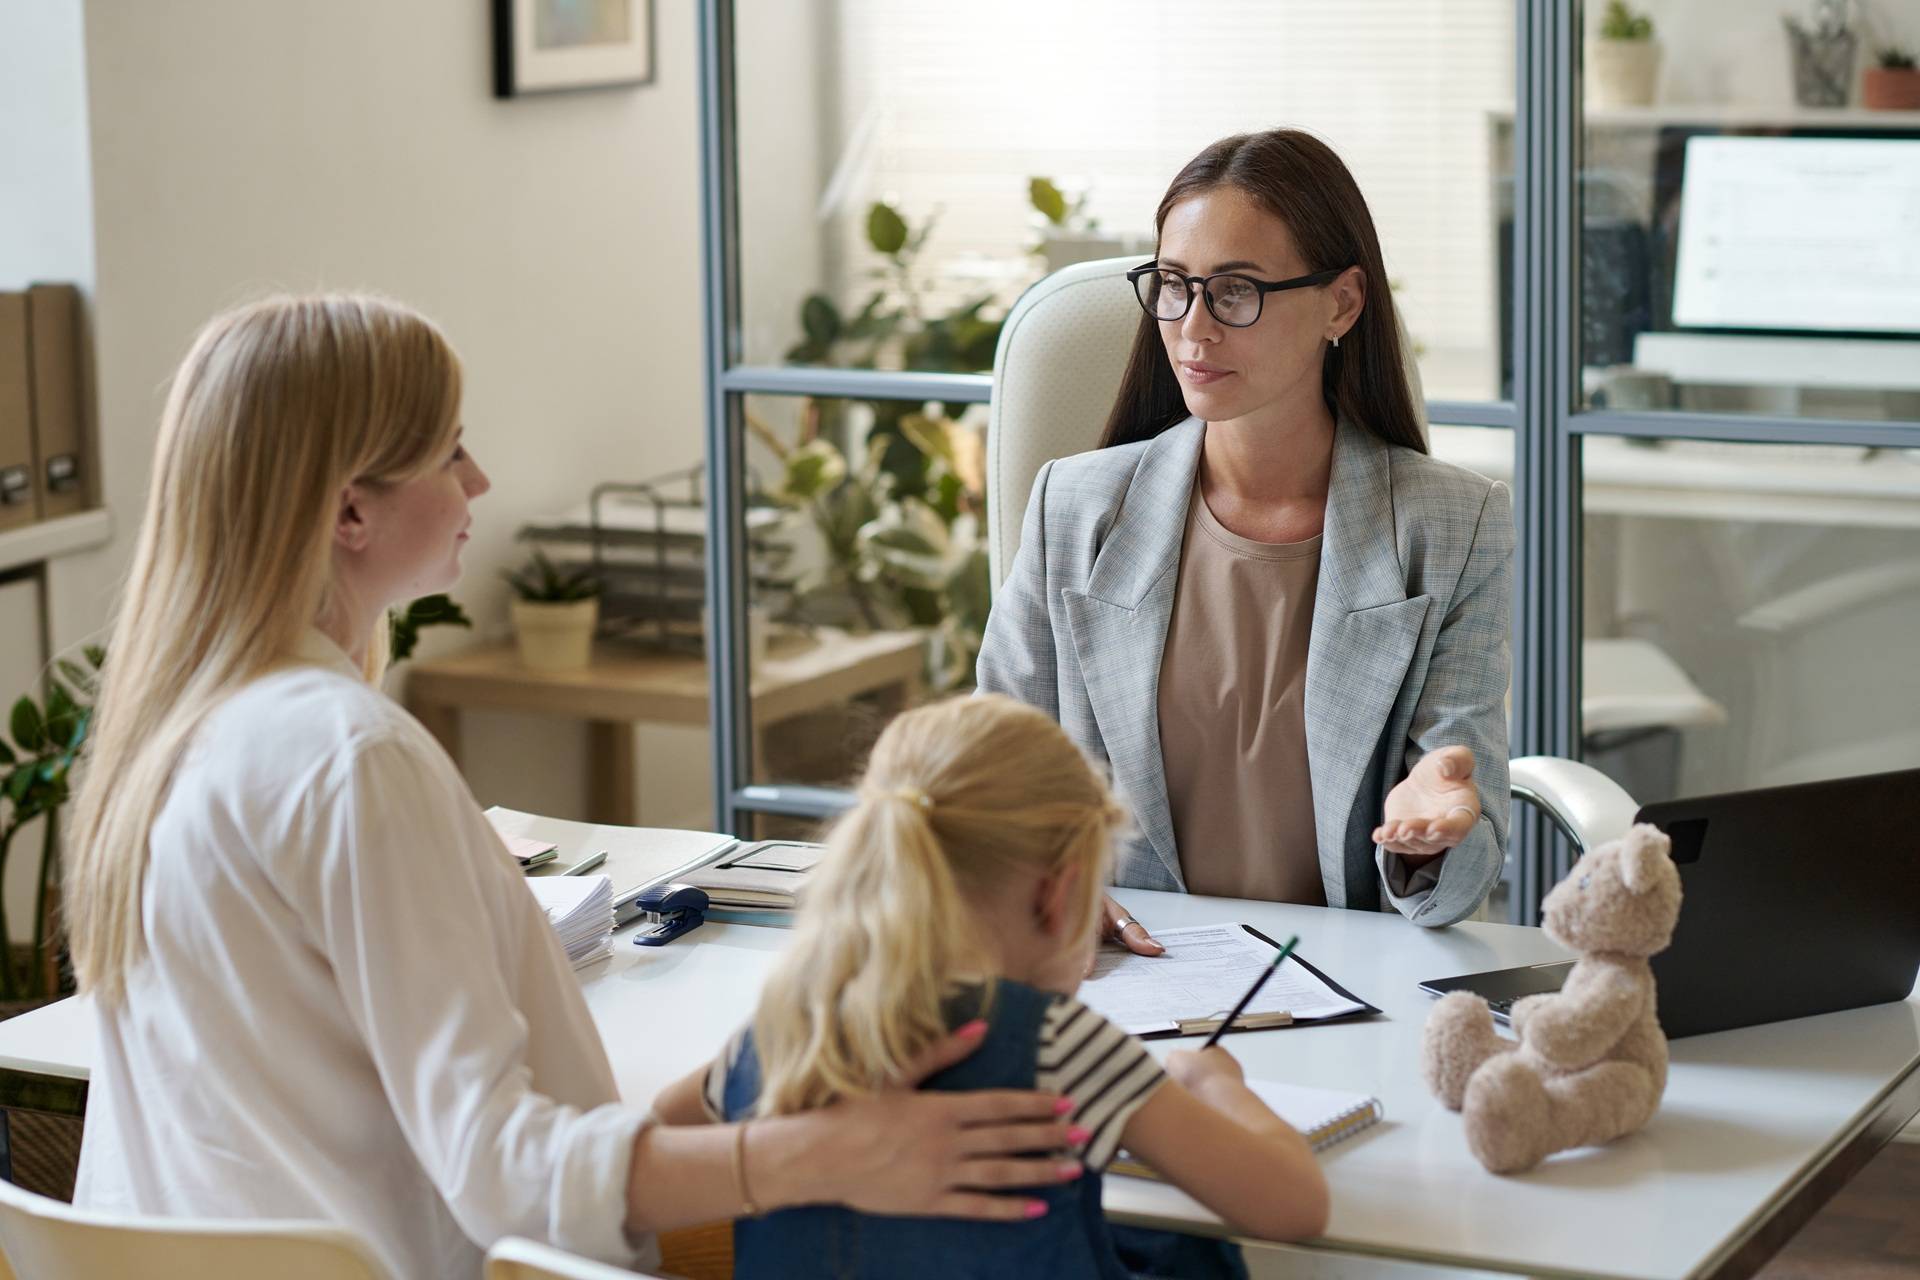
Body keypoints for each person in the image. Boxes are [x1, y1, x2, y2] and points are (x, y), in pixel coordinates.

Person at [64, 295, 1084, 1280]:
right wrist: (820, 1150)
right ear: (348, 510)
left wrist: (731, 1086)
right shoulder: (349, 758)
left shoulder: (176, 732)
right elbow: (505, 1178)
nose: (480, 479)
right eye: (448, 449)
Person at [975, 129, 1514, 946]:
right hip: (1125, 974)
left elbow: (1453, 882)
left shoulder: (1452, 528)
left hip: (1348, 989)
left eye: (1234, 292)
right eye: (1173, 286)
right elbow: (991, 777)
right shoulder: (1074, 510)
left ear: (1342, 302)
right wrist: (1042, 888)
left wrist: (1433, 843)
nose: (1193, 328)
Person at [651, 694, 1330, 1279]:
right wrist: (1218, 1086)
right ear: (1063, 894)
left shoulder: (787, 1025)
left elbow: (660, 1125)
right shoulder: (1059, 1045)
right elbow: (1293, 1206)